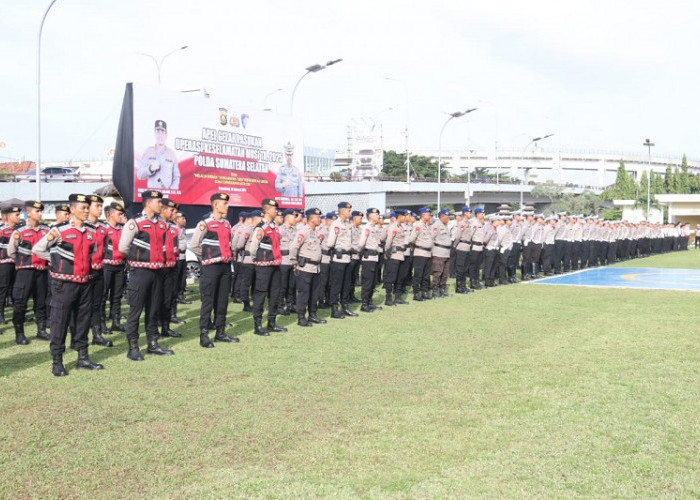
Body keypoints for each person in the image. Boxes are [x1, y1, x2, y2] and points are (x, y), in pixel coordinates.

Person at [33, 194, 103, 376]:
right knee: (59, 322)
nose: (86, 211)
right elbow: (38, 249)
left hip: (85, 283)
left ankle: (83, 357)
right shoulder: (59, 231)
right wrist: (56, 260)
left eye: (88, 208)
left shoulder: (91, 232)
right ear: (72, 210)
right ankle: (57, 360)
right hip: (63, 284)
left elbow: (92, 252)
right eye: (83, 207)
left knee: (83, 321)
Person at [118, 190, 174, 360]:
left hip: (157, 272)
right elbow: (123, 247)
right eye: (158, 201)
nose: (161, 204)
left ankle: (153, 343)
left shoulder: (163, 225)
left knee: (153, 310)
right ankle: (133, 347)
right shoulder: (134, 223)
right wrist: (137, 260)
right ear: (148, 203)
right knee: (135, 310)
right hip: (140, 273)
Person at [189, 193, 238, 347]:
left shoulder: (227, 224)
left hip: (224, 267)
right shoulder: (205, 224)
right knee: (208, 301)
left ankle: (220, 332)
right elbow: (194, 245)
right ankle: (204, 334)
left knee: (222, 301)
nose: (227, 206)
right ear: (215, 205)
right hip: (210, 268)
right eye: (224, 203)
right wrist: (207, 258)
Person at [8, 200, 50, 344]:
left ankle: (41, 330)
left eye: (40, 211)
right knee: (20, 303)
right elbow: (11, 252)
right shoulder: (19, 232)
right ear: (28, 213)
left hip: (42, 271)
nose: (40, 214)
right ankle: (19, 333)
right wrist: (24, 262)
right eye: (37, 211)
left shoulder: (47, 230)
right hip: (25, 272)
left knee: (41, 302)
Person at [249, 198, 287, 335]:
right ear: (266, 211)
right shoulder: (261, 228)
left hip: (275, 264)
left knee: (275, 294)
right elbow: (253, 248)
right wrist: (257, 260)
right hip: (263, 266)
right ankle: (258, 325)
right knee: (260, 294)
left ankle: (272, 322)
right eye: (273, 209)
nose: (276, 211)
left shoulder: (275, 227)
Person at [288, 208, 326, 327]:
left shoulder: (314, 232)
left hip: (316, 267)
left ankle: (313, 315)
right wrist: (294, 262)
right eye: (317, 217)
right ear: (311, 218)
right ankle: (301, 317)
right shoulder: (303, 231)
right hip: (305, 268)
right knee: (304, 293)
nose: (319, 219)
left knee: (314, 293)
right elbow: (293, 247)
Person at [86, 195, 113, 347]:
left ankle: (97, 335)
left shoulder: (103, 229)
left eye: (100, 207)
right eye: (96, 206)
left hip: (99, 270)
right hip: (83, 271)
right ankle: (78, 335)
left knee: (97, 303)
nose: (99, 210)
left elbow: (107, 248)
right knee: (81, 305)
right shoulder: (82, 226)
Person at [325, 202, 357, 318]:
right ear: (342, 211)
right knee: (336, 285)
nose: (349, 213)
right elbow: (330, 243)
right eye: (348, 211)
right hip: (338, 259)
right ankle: (334, 309)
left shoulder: (347, 224)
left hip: (347, 258)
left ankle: (345, 307)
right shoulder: (336, 225)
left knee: (346, 285)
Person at [158, 198, 183, 340]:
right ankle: (154, 327)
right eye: (172, 210)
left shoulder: (174, 227)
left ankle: (166, 328)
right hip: (158, 268)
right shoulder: (156, 224)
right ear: (163, 210)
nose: (175, 213)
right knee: (156, 299)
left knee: (169, 298)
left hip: (172, 266)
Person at [102, 202, 126, 332]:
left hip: (120, 266)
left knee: (117, 296)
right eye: (119, 214)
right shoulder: (103, 229)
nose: (122, 216)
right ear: (110, 214)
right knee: (103, 295)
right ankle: (101, 323)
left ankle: (115, 321)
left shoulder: (123, 229)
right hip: (106, 266)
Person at [137, 120, 180, 190]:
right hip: (152, 195)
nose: (160, 135)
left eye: (162, 132)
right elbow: (139, 174)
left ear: (166, 135)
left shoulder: (171, 154)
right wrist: (150, 169)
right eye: (158, 132)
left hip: (167, 196)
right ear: (154, 134)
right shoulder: (148, 151)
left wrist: (172, 190)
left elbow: (176, 176)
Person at [356, 207, 383, 312]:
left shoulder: (374, 228)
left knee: (373, 282)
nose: (378, 216)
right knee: (368, 282)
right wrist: (359, 252)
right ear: (370, 216)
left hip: (375, 257)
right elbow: (361, 244)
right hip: (369, 258)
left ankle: (369, 302)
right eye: (376, 214)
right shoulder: (367, 228)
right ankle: (364, 304)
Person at [0, 206, 21, 325]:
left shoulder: (20, 229)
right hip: (5, 263)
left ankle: (18, 314)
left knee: (16, 290)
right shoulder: (2, 230)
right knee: (3, 289)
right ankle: (1, 314)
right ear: (8, 217)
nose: (19, 217)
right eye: (16, 215)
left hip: (18, 263)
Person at [383, 209, 408, 306]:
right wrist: (387, 252)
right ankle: (388, 298)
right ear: (400, 217)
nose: (405, 218)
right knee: (391, 277)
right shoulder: (393, 227)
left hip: (400, 254)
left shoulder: (401, 227)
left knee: (400, 277)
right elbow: (389, 241)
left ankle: (398, 297)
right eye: (404, 216)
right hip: (393, 254)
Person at [410, 207, 434, 301]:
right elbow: (411, 239)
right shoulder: (418, 225)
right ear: (423, 215)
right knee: (418, 275)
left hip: (428, 253)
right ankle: (416, 293)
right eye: (428, 214)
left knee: (426, 275)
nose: (430, 216)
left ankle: (424, 292)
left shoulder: (427, 226)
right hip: (420, 253)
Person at [431, 209, 453, 297]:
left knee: (445, 273)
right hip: (439, 252)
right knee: (438, 272)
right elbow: (431, 238)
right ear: (442, 216)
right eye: (447, 217)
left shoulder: (446, 226)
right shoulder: (436, 225)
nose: (448, 218)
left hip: (446, 252)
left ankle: (442, 289)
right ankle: (435, 289)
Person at [452, 206, 473, 294]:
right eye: (469, 212)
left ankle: (463, 286)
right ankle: (459, 287)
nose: (470, 214)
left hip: (467, 247)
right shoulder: (462, 223)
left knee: (465, 268)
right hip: (461, 247)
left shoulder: (469, 223)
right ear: (465, 213)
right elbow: (457, 236)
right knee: (460, 268)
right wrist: (455, 246)